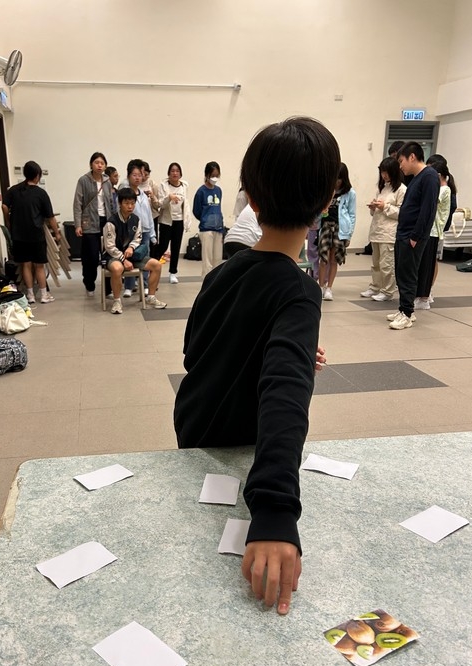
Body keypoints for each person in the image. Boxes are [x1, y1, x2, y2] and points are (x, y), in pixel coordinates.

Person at [174, 116, 340, 615]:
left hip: (193, 428)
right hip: (235, 446)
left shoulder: (221, 274)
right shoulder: (299, 290)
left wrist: (277, 349)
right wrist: (273, 513)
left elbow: (196, 351)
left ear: (250, 196)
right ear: (327, 200)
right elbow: (285, 394)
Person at [387, 141, 439, 330]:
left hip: (412, 235)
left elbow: (428, 210)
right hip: (404, 233)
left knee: (408, 273)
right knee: (401, 272)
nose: (400, 166)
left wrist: (416, 236)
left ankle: (407, 313)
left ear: (412, 157)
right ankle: (404, 308)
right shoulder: (416, 178)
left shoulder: (429, 176)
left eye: (401, 161)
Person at [2, 160, 59, 305]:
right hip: (36, 234)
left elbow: (4, 206)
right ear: (37, 175)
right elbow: (50, 216)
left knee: (25, 265)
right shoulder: (41, 193)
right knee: (39, 266)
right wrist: (57, 232)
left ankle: (30, 295)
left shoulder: (14, 190)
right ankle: (44, 295)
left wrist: (8, 222)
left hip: (19, 234)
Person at [102, 187, 167, 314]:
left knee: (157, 265)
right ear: (120, 203)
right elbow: (109, 247)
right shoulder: (111, 222)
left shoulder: (136, 219)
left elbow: (138, 238)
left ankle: (151, 297)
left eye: (132, 203)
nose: (130, 206)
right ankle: (117, 301)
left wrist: (131, 247)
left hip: (132, 255)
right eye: (126, 203)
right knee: (117, 268)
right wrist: (123, 259)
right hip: (113, 256)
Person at [360, 157, 406, 301]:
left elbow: (402, 213)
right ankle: (375, 287)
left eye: (387, 172)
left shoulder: (401, 189)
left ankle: (387, 291)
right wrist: (374, 207)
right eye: (382, 172)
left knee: (387, 264)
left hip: (389, 233)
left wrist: (384, 206)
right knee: (376, 264)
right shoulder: (382, 188)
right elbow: (376, 212)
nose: (384, 175)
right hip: (377, 231)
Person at [73, 152, 116, 297]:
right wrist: (78, 225)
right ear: (91, 164)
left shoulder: (107, 181)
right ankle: (89, 283)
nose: (99, 165)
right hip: (89, 222)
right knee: (91, 257)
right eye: (96, 162)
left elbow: (111, 202)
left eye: (102, 163)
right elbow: (77, 203)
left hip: (106, 221)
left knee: (109, 254)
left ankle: (109, 289)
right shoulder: (83, 180)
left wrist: (114, 221)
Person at [414, 160, 452, 309]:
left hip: (433, 231)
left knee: (427, 266)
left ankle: (424, 297)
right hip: (428, 230)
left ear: (439, 175)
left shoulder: (444, 190)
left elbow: (430, 201)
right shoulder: (439, 188)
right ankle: (420, 295)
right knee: (422, 264)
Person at [317, 162, 356, 300]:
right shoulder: (326, 191)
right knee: (323, 259)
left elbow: (352, 215)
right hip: (325, 227)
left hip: (340, 229)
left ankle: (329, 288)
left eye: (339, 179)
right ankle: (320, 286)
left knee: (334, 259)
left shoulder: (350, 193)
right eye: (335, 178)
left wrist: (349, 235)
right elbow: (318, 211)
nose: (337, 182)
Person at [119, 159, 157, 297]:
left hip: (145, 231)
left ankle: (145, 285)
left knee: (145, 258)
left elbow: (149, 215)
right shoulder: (125, 194)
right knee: (130, 257)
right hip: (131, 232)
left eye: (140, 175)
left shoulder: (143, 195)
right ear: (129, 176)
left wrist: (152, 234)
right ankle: (129, 287)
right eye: (134, 175)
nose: (137, 178)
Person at [156, 162, 191, 283]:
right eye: (172, 171)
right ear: (168, 173)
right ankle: (152, 267)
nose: (175, 173)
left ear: (180, 174)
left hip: (179, 221)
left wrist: (187, 221)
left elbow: (186, 204)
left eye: (177, 171)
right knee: (162, 246)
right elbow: (161, 204)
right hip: (166, 221)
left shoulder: (184, 186)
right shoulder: (163, 185)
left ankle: (173, 273)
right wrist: (169, 197)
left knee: (176, 247)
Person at [193, 162, 224, 276]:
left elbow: (218, 207)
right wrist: (205, 219)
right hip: (206, 229)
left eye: (217, 175)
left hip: (218, 228)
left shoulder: (218, 190)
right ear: (207, 175)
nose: (215, 178)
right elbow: (196, 210)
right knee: (207, 260)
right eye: (212, 175)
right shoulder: (201, 191)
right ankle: (207, 281)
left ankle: (216, 281)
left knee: (218, 259)